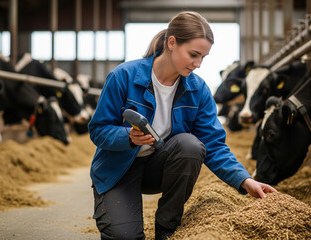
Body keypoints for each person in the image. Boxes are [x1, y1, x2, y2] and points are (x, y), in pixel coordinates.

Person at [88, 11, 276, 240]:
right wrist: (128, 136)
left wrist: (245, 180)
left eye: (203, 57)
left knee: (190, 145)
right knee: (125, 236)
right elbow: (98, 130)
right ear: (172, 43)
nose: (198, 64)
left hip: (159, 168)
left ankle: (167, 228)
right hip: (119, 170)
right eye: (193, 55)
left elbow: (213, 145)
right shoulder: (123, 77)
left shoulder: (198, 90)